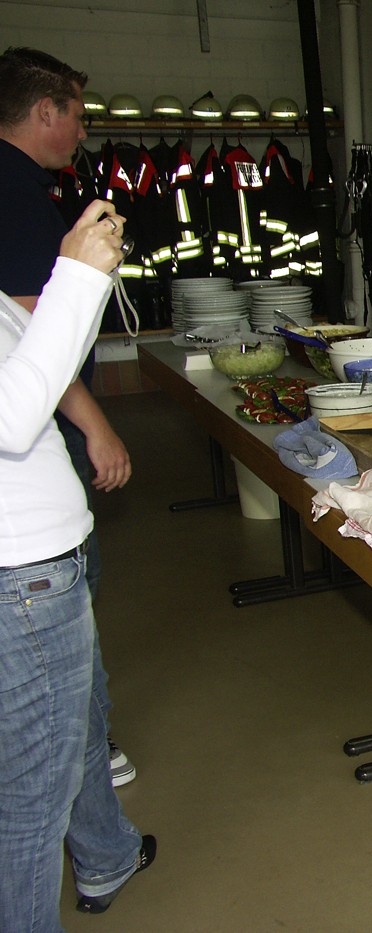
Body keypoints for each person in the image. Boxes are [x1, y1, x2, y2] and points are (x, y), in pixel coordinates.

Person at [0, 198, 156, 930]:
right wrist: (77, 278)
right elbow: (13, 414)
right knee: (33, 799)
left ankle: (105, 852)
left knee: (74, 724)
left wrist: (84, 284)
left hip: (37, 575)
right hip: (23, 582)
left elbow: (35, 354)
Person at [0, 46, 136, 788]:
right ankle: (84, 745)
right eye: (77, 115)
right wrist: (95, 424)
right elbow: (30, 341)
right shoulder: (17, 195)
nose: (83, 132)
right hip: (29, 538)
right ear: (44, 110)